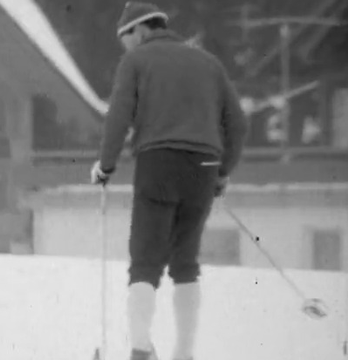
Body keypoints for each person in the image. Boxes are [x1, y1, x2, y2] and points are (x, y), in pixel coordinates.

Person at [90, 2, 249, 360]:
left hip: (157, 161)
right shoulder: (209, 63)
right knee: (186, 261)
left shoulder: (137, 61)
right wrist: (222, 173)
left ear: (140, 30)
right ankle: (184, 353)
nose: (125, 47)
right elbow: (237, 124)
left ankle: (141, 348)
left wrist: (106, 165)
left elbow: (118, 116)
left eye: (125, 38)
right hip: (204, 165)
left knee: (145, 260)